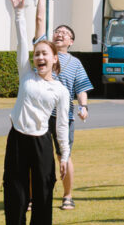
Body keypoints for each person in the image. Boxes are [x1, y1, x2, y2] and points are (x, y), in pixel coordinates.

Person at [4, 0, 72, 225]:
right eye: (37, 54)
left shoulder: (60, 90)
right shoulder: (26, 75)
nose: (39, 58)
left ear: (55, 58)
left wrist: (64, 155)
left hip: (42, 143)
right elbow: (23, 41)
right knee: (15, 196)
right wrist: (19, 11)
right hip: (17, 140)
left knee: (43, 198)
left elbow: (62, 126)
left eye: (45, 54)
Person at [37, 11, 93, 211]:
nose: (59, 34)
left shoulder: (75, 63)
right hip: (40, 114)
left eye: (65, 33)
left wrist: (83, 106)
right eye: (57, 31)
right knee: (37, 156)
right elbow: (39, 26)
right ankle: (34, 197)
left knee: (64, 155)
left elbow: (81, 88)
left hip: (64, 117)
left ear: (71, 41)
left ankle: (67, 196)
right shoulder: (42, 56)